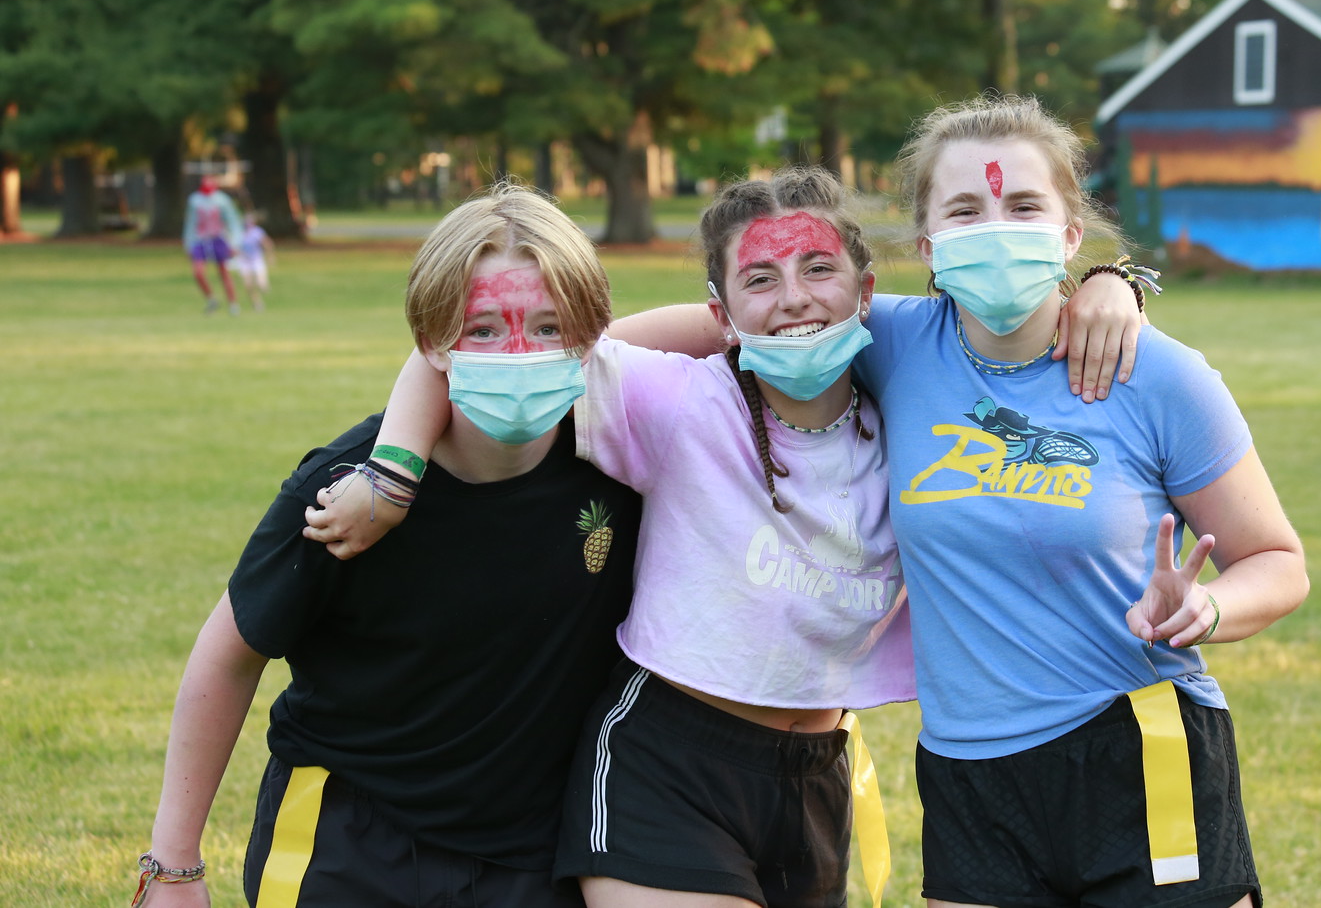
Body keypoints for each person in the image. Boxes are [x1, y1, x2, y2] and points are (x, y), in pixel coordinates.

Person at [303, 166, 1147, 907]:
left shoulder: (920, 398)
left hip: (814, 777)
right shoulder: (671, 400)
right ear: (721, 312)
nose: (794, 298)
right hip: (664, 763)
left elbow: (1020, 330)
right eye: (761, 279)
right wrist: (392, 473)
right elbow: (457, 348)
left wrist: (1110, 279)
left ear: (868, 292)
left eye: (819, 268)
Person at [850, 93, 1308, 908]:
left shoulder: (1160, 375)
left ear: (1068, 234)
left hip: (1140, 741)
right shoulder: (889, 344)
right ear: (926, 242)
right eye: (966, 207)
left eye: (1023, 204)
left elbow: (1277, 562)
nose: (996, 224)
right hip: (970, 773)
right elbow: (742, 322)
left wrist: (1203, 609)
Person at [137, 185, 643, 907]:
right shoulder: (344, 491)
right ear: (433, 340)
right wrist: (174, 863)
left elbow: (731, 330)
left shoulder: (621, 462)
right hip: (348, 837)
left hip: (533, 852)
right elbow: (228, 655)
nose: (519, 353)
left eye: (548, 324)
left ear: (590, 334)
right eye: (486, 330)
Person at [182, 177, 243, 315]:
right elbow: (191, 223)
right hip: (200, 239)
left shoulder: (222, 200)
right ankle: (211, 299)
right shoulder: (194, 200)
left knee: (223, 272)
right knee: (198, 272)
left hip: (218, 238)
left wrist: (234, 243)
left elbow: (233, 222)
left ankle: (233, 304)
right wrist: (188, 244)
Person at [232, 210, 276, 312]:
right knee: (248, 284)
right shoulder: (240, 233)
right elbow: (236, 248)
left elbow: (267, 243)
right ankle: (257, 303)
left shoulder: (257, 232)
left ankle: (263, 287)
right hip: (244, 261)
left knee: (261, 283)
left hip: (256, 259)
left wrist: (270, 256)